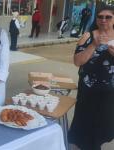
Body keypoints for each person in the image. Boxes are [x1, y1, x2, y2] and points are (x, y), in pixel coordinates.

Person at [68, 5, 114, 150]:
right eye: (100, 16)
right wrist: (94, 44)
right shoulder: (87, 36)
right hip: (87, 90)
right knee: (84, 123)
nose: (103, 20)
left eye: (108, 17)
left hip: (109, 92)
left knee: (102, 125)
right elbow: (77, 61)